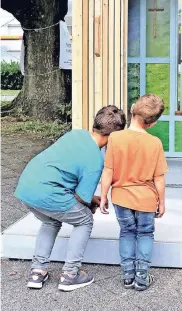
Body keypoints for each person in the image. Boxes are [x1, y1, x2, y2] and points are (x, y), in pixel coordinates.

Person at [14, 105, 126, 292]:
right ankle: (70, 275)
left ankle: (37, 272)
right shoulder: (95, 161)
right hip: (49, 193)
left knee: (51, 221)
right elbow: (81, 198)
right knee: (84, 220)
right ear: (114, 136)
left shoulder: (76, 134)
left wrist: (88, 199)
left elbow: (67, 171)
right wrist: (90, 202)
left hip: (26, 187)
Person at [100, 94, 168, 291]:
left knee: (127, 233)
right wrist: (161, 202)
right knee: (145, 233)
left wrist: (104, 195)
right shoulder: (155, 143)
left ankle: (127, 276)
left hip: (121, 197)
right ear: (152, 123)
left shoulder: (115, 138)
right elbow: (159, 178)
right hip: (146, 199)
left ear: (132, 110)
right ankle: (142, 277)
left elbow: (108, 170)